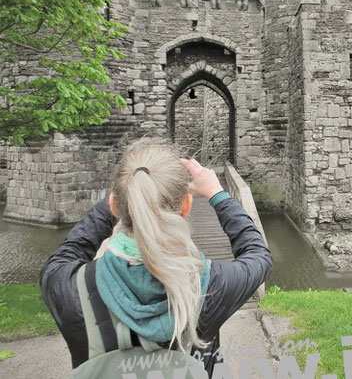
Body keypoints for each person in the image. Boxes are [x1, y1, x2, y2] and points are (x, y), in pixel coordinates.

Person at [39, 143, 273, 376]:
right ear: (187, 206)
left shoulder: (68, 287)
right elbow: (258, 255)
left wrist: (125, 195)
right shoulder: (212, 286)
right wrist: (217, 193)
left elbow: (71, 250)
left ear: (114, 206)